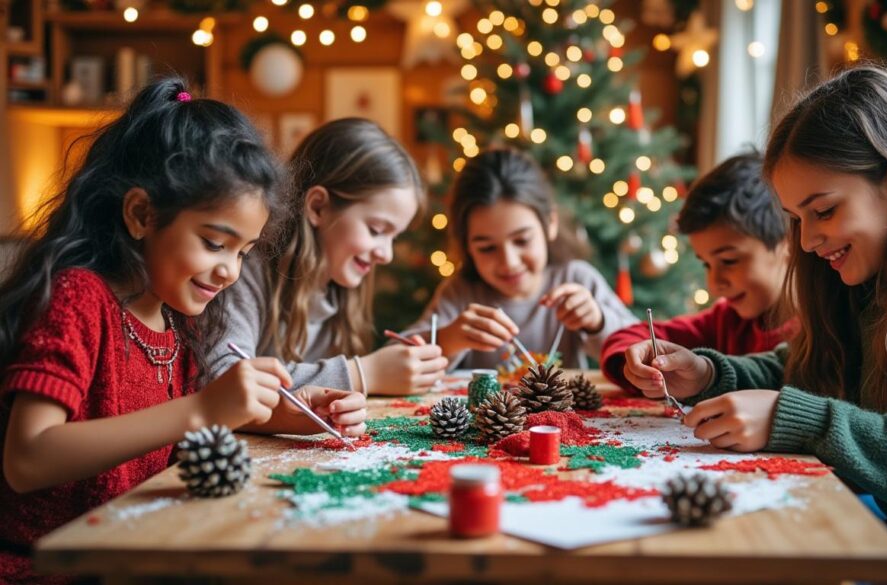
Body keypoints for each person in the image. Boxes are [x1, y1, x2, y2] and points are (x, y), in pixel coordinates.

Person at [633, 65, 887, 583]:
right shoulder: (867, 277)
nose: (807, 240)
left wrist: (792, 418)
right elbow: (803, 368)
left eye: (823, 211)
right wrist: (706, 374)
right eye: (797, 218)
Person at [0, 78, 366, 585]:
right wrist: (201, 410)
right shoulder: (78, 298)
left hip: (139, 553)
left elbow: (193, 420)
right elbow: (27, 458)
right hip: (51, 567)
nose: (231, 271)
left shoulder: (179, 320)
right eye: (215, 243)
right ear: (141, 214)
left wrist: (294, 413)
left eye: (244, 253)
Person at [210, 118, 447, 395]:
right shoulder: (244, 270)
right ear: (318, 207)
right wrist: (364, 373)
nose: (386, 255)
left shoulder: (339, 288)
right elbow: (226, 380)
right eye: (376, 230)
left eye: (394, 237)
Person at [403, 148, 637, 370]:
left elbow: (643, 350)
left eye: (522, 241)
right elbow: (399, 354)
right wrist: (446, 341)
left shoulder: (576, 279)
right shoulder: (460, 294)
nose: (509, 262)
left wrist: (598, 321)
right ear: (467, 246)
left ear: (550, 224)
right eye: (487, 248)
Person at [604, 152, 795, 393]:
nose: (714, 284)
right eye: (706, 264)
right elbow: (628, 337)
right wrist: (638, 365)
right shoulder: (727, 321)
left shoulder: (824, 333)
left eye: (728, 261)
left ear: (788, 242)